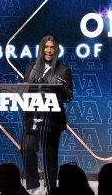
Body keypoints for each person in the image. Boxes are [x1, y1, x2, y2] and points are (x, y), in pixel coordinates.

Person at [20, 35, 73, 195]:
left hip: (52, 120)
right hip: (32, 117)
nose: (49, 50)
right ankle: (33, 186)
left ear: (56, 50)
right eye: (46, 47)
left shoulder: (63, 70)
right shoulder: (31, 67)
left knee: (49, 156)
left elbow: (69, 95)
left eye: (52, 47)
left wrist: (58, 91)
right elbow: (25, 89)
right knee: (27, 149)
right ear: (41, 49)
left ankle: (51, 190)